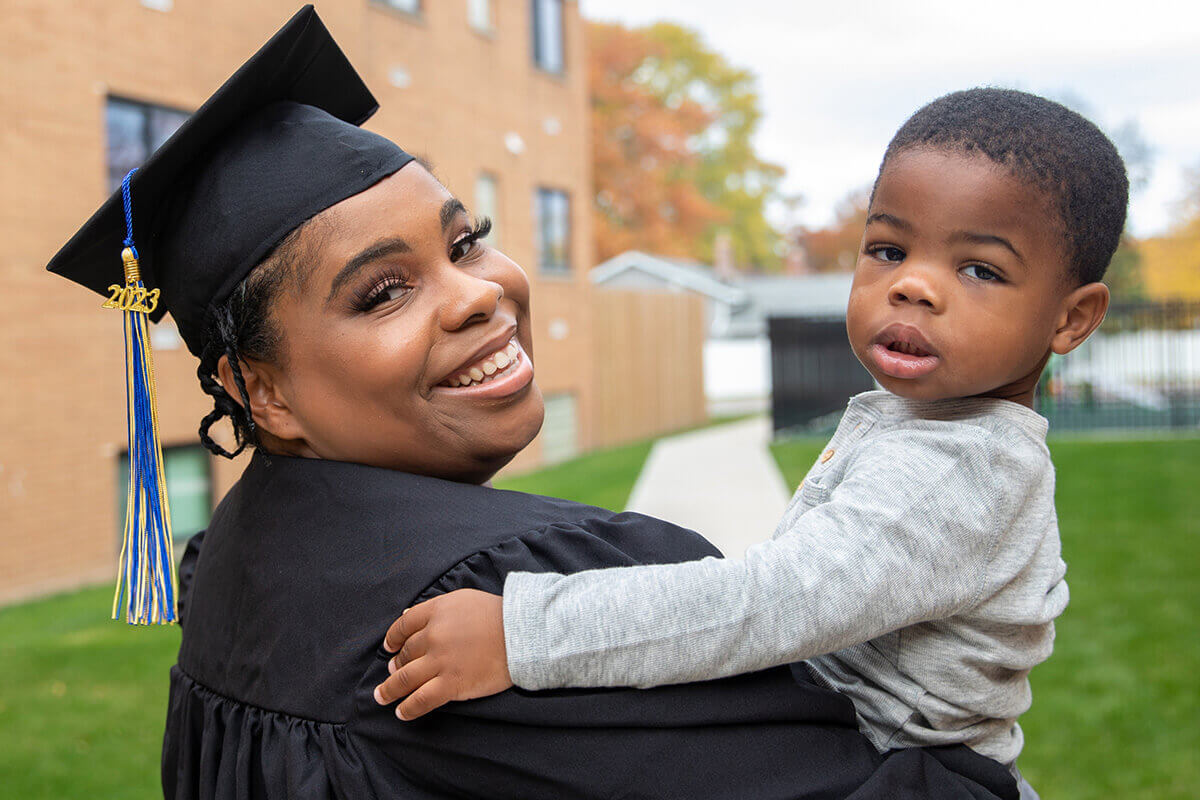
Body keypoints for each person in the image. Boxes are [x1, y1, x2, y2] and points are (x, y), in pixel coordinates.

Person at [48, 9, 1022, 799]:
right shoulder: (500, 604)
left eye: (465, 240)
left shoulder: (234, 569)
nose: (479, 290)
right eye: (383, 290)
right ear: (257, 388)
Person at [377, 88, 1130, 799]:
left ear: (1072, 320)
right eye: (889, 250)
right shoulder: (930, 424)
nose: (914, 286)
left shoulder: (958, 471)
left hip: (902, 773)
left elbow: (772, 602)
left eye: (978, 269)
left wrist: (523, 633)